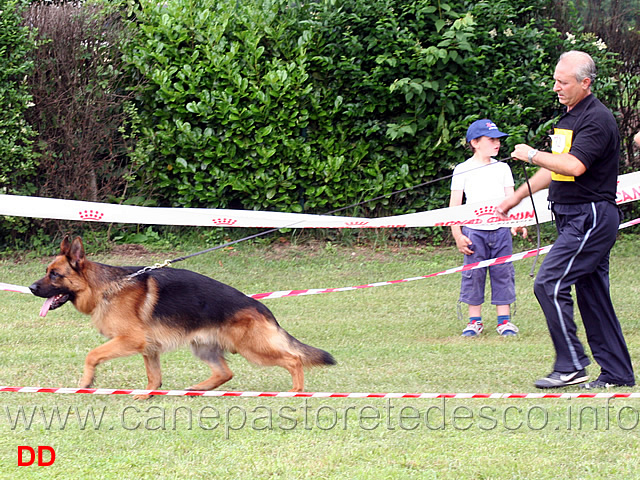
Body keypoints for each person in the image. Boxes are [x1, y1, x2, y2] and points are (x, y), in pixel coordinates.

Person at [497, 51, 635, 389]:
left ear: (585, 83)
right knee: (593, 294)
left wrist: (529, 153)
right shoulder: (570, 118)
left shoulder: (597, 119)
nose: (556, 87)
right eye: (555, 80)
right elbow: (556, 167)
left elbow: (574, 166)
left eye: (564, 82)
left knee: (549, 282)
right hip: (572, 215)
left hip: (590, 216)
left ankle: (571, 363)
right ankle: (617, 373)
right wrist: (515, 198)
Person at [450, 119, 524, 337]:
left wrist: (517, 222)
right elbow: (455, 205)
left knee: (503, 273)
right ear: (475, 142)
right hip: (474, 232)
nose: (497, 144)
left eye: (498, 140)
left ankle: (504, 322)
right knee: (474, 275)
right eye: (491, 139)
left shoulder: (503, 168)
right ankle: (474, 322)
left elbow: (511, 199)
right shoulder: (462, 169)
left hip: (501, 231)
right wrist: (457, 234)